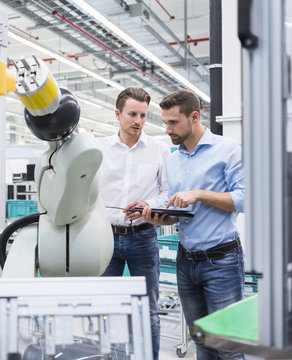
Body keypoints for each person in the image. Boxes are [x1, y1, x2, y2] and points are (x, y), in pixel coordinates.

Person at [143, 89, 245, 360]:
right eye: (165, 122)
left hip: (221, 261)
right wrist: (160, 216)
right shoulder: (174, 160)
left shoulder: (229, 151)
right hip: (186, 261)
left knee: (228, 347)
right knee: (201, 342)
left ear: (195, 117)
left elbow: (245, 199)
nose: (167, 129)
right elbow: (179, 211)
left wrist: (199, 193)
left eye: (173, 122)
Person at [96, 87, 170, 360]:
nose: (138, 120)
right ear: (118, 114)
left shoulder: (160, 150)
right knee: (107, 306)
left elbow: (167, 192)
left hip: (143, 236)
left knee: (148, 307)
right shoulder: (99, 149)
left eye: (142, 115)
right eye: (132, 114)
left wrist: (149, 206)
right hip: (105, 238)